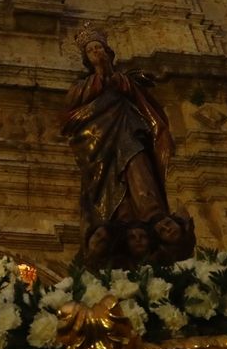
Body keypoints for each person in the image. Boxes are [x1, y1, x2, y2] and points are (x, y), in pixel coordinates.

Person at [61, 23, 189, 268]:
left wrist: (115, 78)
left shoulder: (126, 82)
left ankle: (151, 214)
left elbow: (143, 101)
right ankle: (122, 219)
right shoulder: (83, 87)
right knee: (109, 181)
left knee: (138, 168)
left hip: (130, 136)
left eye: (100, 48)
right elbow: (72, 108)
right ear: (86, 59)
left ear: (109, 53)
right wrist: (101, 76)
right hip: (100, 144)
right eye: (92, 50)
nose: (97, 52)